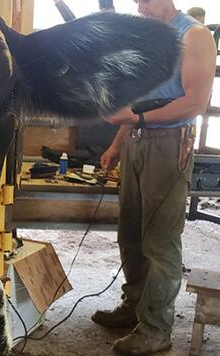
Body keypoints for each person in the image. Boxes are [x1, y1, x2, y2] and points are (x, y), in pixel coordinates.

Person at [92, 0, 217, 355]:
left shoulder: (193, 36)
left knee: (160, 239)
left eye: (144, 0)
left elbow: (195, 102)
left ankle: (156, 327)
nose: (139, 6)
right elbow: (139, 99)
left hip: (168, 143)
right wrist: (119, 143)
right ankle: (135, 306)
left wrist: (139, 120)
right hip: (136, 140)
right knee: (129, 232)